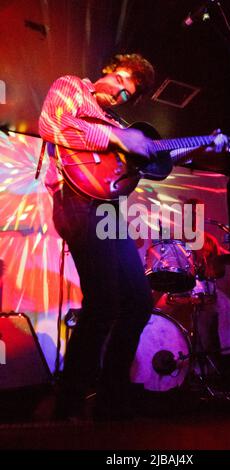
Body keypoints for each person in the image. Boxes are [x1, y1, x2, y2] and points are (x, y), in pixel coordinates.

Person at [39, 53, 156, 420]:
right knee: (104, 302)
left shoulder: (117, 122)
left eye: (128, 94)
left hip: (108, 209)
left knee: (138, 302)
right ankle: (69, 404)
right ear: (109, 71)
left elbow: (134, 165)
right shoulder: (72, 85)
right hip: (74, 200)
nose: (121, 92)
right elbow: (53, 124)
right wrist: (118, 138)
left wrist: (197, 145)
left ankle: (111, 399)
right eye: (121, 79)